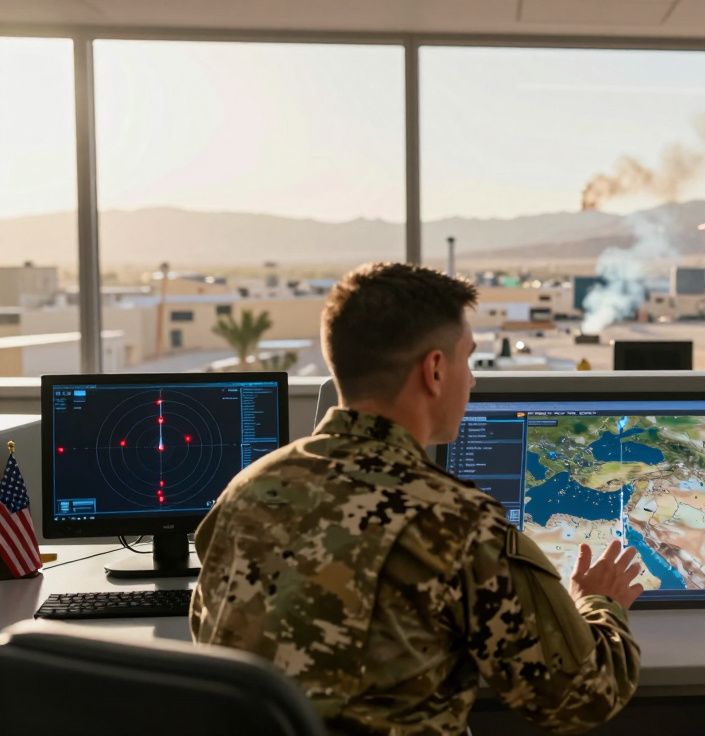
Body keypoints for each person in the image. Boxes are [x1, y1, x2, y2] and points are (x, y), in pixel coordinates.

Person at [190, 262, 643, 735]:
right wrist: (600, 602)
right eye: (467, 360)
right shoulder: (457, 524)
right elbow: (583, 697)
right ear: (435, 370)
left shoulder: (246, 490)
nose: (472, 381)